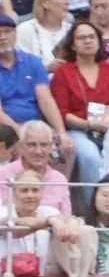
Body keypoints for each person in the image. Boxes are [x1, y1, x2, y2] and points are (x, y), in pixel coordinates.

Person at [50, 21, 109, 192]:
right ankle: (92, 206)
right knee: (90, 156)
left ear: (99, 42)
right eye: (81, 38)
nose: (87, 41)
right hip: (76, 130)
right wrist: (90, 124)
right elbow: (62, 112)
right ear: (73, 44)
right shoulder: (64, 72)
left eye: (92, 37)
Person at [0, 14, 75, 173]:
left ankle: (56, 191)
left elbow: (46, 100)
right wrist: (18, 129)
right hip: (5, 128)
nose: (2, 37)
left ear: (15, 35)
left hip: (35, 123)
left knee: (65, 147)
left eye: (7, 31)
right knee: (13, 144)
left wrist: (61, 132)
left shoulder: (32, 62)